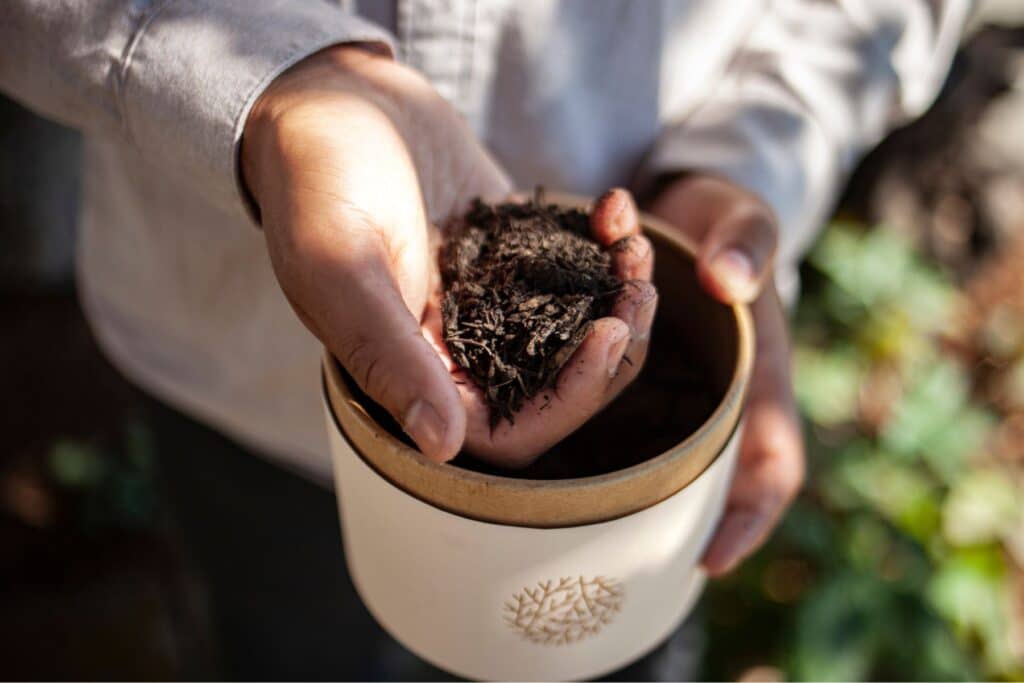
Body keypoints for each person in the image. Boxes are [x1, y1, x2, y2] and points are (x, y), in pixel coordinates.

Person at [2, 1, 969, 679]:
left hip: (639, 476)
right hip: (236, 369)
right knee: (294, 642)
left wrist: (754, 153)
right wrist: (280, 86)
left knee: (611, 653)